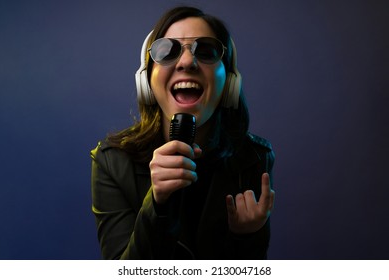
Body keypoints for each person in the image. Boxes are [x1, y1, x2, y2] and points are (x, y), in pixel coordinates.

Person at [91, 6, 275, 260]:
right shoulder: (112, 161)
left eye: (207, 51)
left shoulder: (253, 158)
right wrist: (157, 204)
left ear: (230, 83)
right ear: (146, 80)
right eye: (166, 51)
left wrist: (248, 237)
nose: (187, 62)